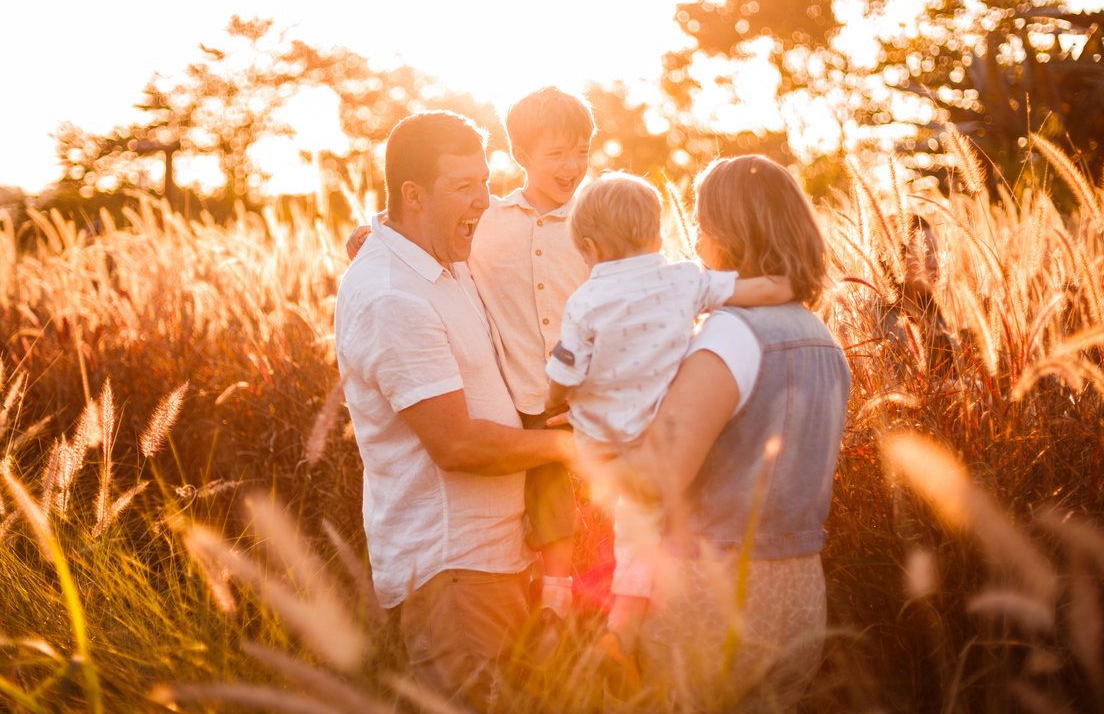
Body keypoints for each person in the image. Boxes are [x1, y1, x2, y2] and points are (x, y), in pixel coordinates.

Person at [334, 111, 573, 707]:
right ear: (413, 195)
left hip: (494, 559)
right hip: (454, 573)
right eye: (465, 186)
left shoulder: (444, 259)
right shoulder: (393, 295)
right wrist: (575, 446)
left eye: (486, 182)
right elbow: (457, 444)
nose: (484, 201)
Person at [615, 155, 852, 712]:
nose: (696, 244)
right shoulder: (822, 338)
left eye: (702, 227)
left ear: (728, 233)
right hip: (801, 595)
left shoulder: (730, 335)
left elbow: (657, 478)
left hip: (714, 596)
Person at [543, 172, 793, 659]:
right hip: (657, 427)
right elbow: (752, 292)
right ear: (658, 235)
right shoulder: (684, 279)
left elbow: (564, 374)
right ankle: (622, 627)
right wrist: (788, 285)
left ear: (590, 247)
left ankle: (585, 610)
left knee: (613, 514)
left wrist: (556, 401)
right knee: (639, 525)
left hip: (599, 434)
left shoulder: (584, 301)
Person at [872, 213, 956, 376]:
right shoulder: (875, 318)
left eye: (936, 254)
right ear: (896, 256)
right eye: (926, 254)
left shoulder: (935, 313)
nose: (935, 264)